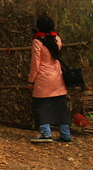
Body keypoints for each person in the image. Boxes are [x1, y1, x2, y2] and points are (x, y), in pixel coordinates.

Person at [28, 15, 72, 143]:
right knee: (60, 107)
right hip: (57, 77)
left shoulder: (37, 41)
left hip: (43, 78)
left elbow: (35, 65)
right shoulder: (57, 38)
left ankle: (46, 134)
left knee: (40, 106)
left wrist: (31, 80)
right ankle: (65, 135)